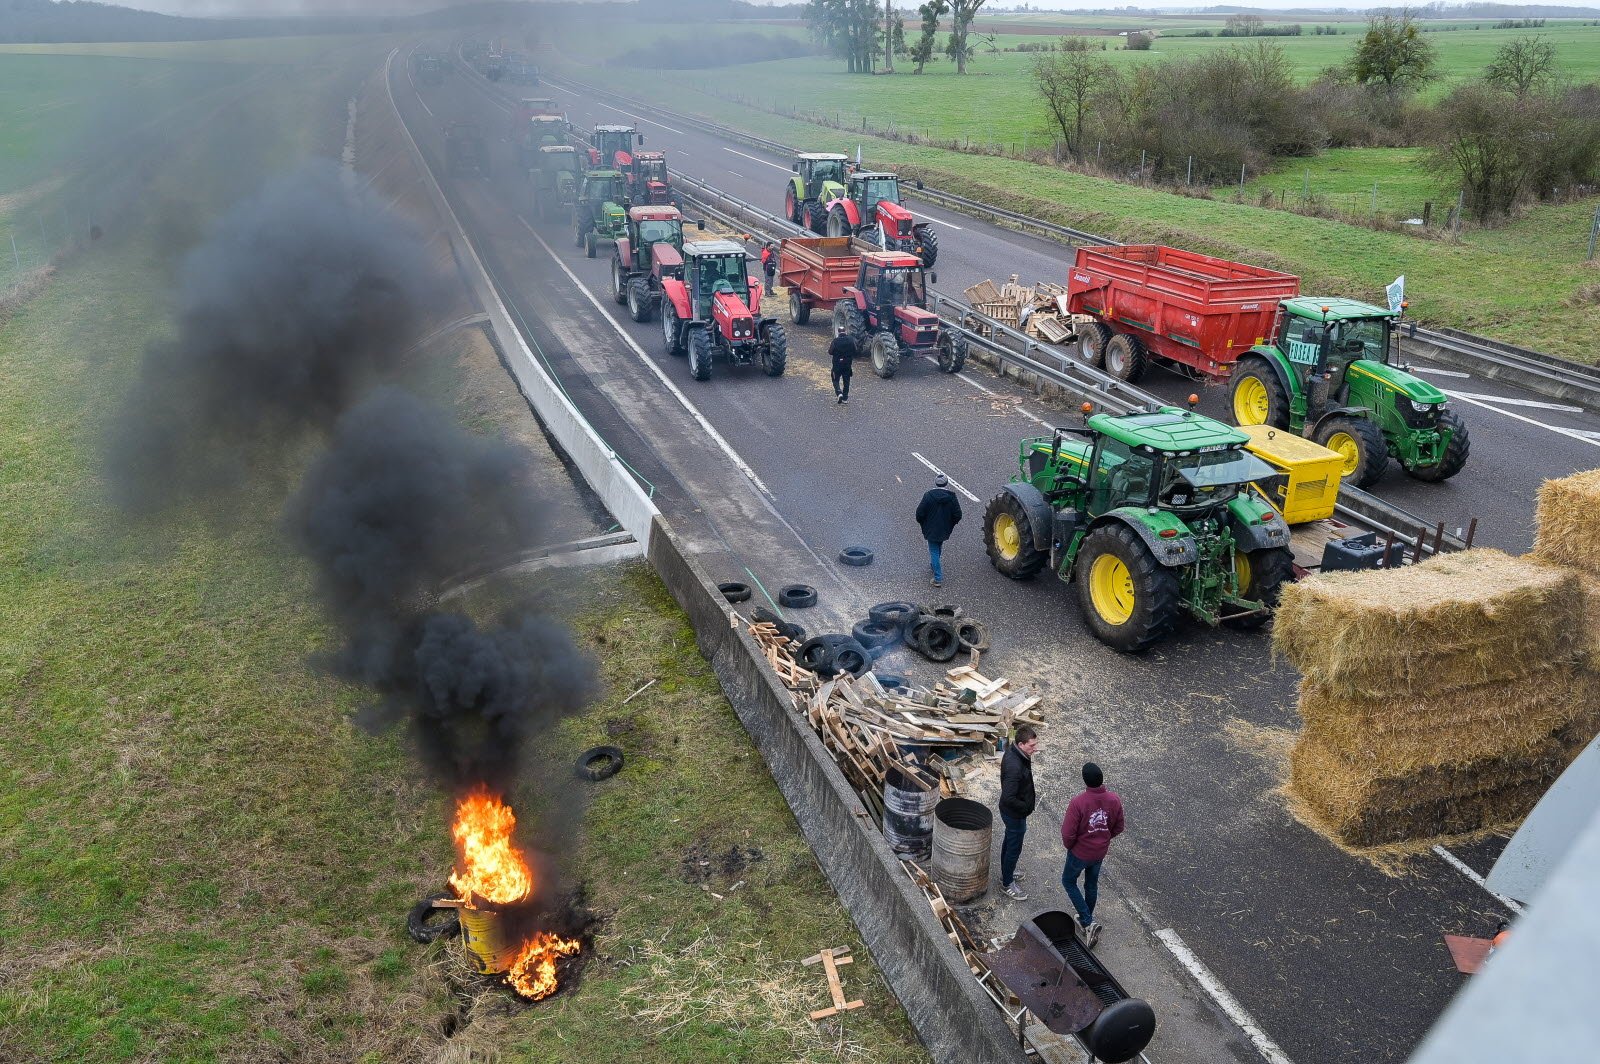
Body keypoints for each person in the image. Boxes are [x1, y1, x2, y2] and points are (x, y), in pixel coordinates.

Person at [1060, 762, 1123, 948]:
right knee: (1091, 884)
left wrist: (1071, 846)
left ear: (1085, 781)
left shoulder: (1078, 802)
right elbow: (1119, 826)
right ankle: (1085, 918)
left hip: (1080, 852)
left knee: (1068, 881)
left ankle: (1087, 921)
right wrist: (1103, 838)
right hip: (1099, 852)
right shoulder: (1114, 799)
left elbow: (1067, 833)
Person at [998, 725, 1039, 901]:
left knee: (1009, 842)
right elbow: (1008, 797)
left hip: (1014, 812)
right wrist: (1025, 807)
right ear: (1021, 744)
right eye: (1031, 745)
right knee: (1013, 848)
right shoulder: (1014, 766)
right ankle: (1007, 883)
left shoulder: (1018, 753)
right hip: (1014, 814)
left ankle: (1007, 871)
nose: (1034, 748)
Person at [915, 475, 962, 587]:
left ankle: (938, 578)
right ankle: (934, 565)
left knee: (934, 551)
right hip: (944, 528)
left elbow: (919, 513)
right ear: (946, 484)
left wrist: (923, 523)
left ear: (935, 483)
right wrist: (951, 523)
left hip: (931, 528)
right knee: (938, 546)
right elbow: (958, 515)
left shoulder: (928, 496)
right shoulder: (952, 497)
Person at [830, 332, 855, 404]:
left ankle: (839, 392)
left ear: (838, 332)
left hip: (837, 364)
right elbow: (855, 349)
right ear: (845, 332)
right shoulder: (851, 340)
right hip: (847, 364)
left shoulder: (835, 341)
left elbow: (830, 352)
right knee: (846, 381)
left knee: (835, 379)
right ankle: (845, 398)